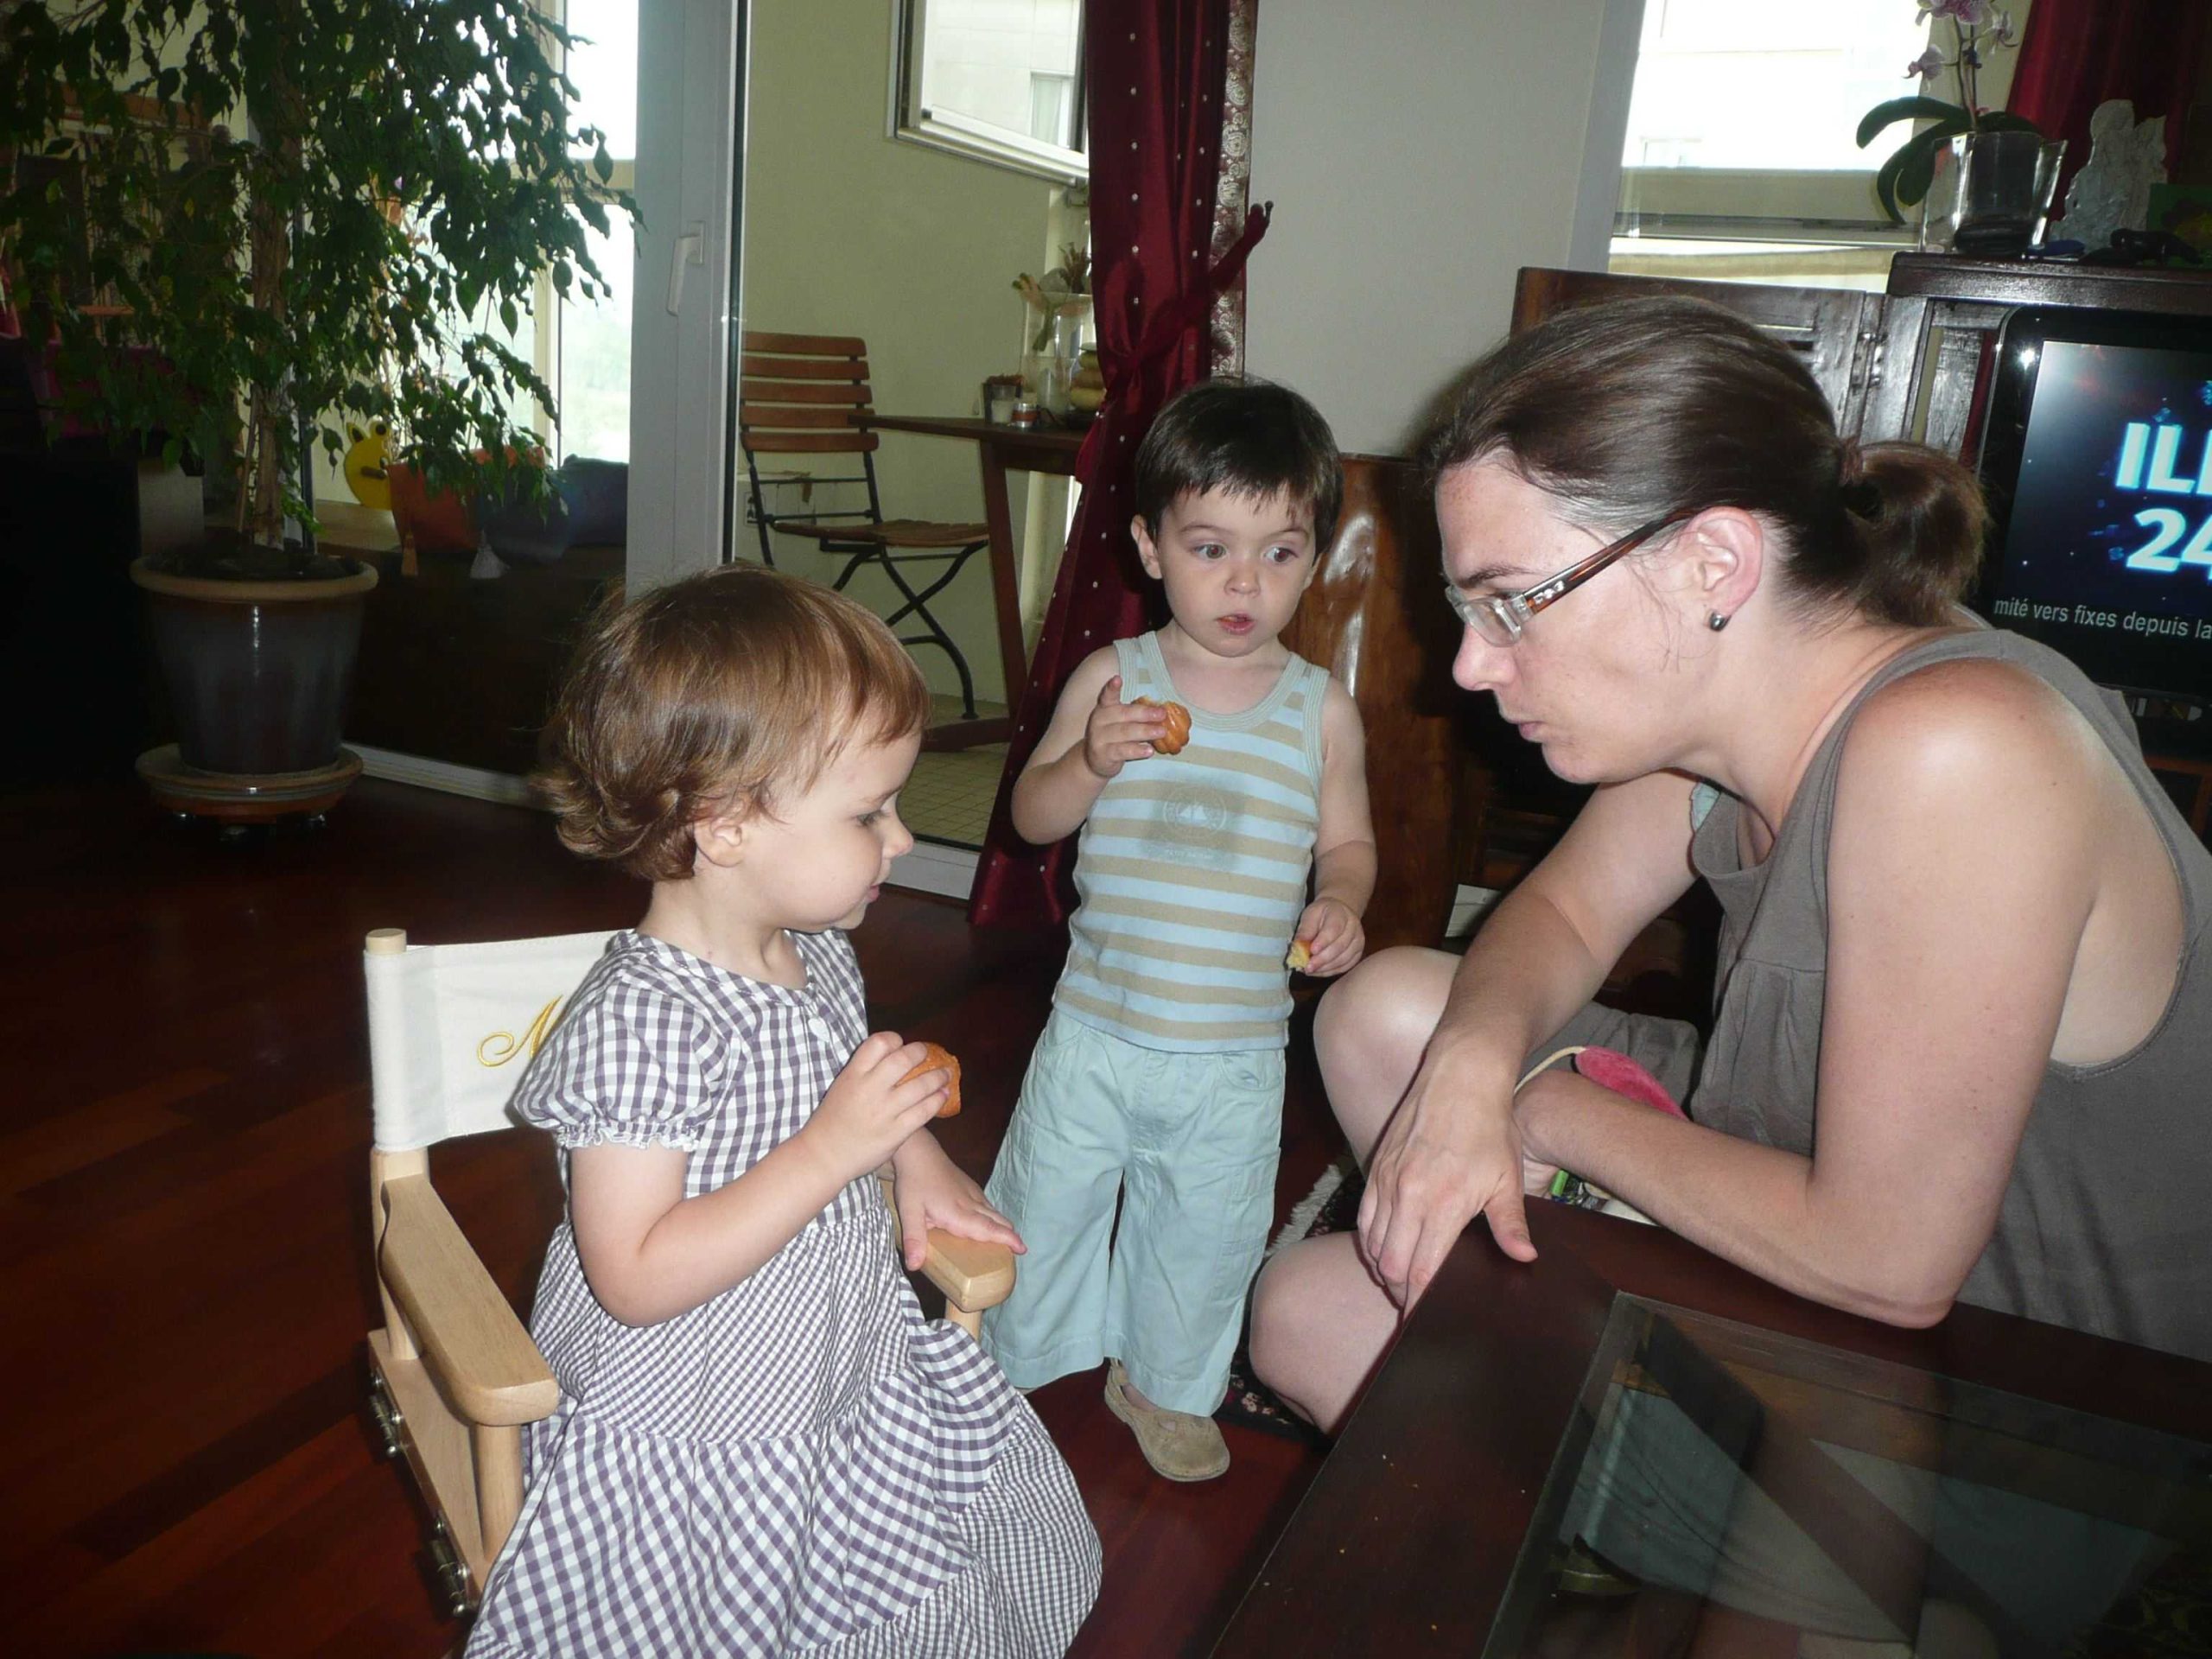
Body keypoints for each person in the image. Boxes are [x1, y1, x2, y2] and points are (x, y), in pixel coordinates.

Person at [1250, 296, 2212, 1436]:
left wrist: (1543, 1115)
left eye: (1511, 602)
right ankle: (1572, 1392)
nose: (1468, 665)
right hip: (1811, 1218)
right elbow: (1562, 915)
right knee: (1385, 1024)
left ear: (1713, 562)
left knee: (1312, 1318)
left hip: (2039, 1396)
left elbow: (1890, 1262)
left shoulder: (1958, 749)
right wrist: (1469, 1069)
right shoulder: (1744, 701)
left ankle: (1618, 1463)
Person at [466, 565, 1100, 1659]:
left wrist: (913, 1158)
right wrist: (828, 1153)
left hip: (830, 1366)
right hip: (701, 1424)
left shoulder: (813, 951)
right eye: (868, 812)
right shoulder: (643, 1025)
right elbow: (634, 1276)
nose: (901, 839)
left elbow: (848, 1089)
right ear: (723, 826)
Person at [980, 379, 1377, 1483]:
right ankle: (1012, 1363)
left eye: (1280, 553)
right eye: (1210, 548)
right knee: (1047, 1202)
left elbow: (1348, 844)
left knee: (1203, 1236)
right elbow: (1030, 818)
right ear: (1150, 547)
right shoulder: (1114, 680)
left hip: (1234, 1050)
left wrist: (1342, 901)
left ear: (1314, 557)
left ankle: (1161, 1381)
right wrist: (1087, 760)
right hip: (1096, 1031)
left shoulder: (1319, 711)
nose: (1245, 582)